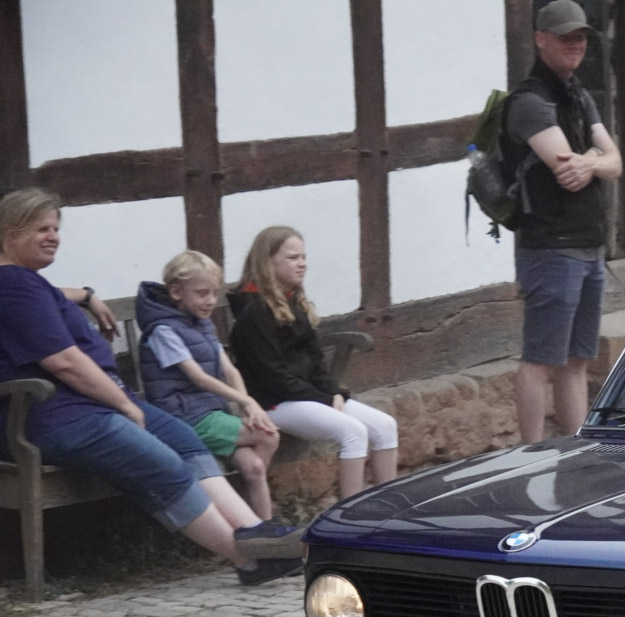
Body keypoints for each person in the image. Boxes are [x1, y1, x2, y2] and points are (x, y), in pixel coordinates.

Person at [0, 188, 302, 585]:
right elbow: (65, 363)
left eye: (56, 228)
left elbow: (48, 299)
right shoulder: (14, 284)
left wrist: (87, 295)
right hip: (62, 416)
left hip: (93, 404)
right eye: (42, 229)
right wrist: (124, 404)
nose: (53, 236)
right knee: (163, 464)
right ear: (10, 232)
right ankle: (248, 558)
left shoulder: (25, 283)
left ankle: (256, 533)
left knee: (184, 440)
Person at [503, 0, 623, 443]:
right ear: (541, 40)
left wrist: (592, 161)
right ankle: (530, 455)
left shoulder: (579, 96)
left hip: (588, 247)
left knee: (576, 361)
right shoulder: (530, 102)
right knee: (540, 359)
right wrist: (594, 160)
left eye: (581, 37)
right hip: (551, 248)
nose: (576, 44)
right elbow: (567, 172)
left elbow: (615, 162)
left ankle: (577, 448)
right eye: (565, 36)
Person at [227, 225, 398, 500]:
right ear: (268, 262)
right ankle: (351, 515)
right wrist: (325, 399)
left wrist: (334, 392)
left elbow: (316, 359)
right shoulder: (253, 314)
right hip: (274, 403)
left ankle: (388, 505)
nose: (302, 263)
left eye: (303, 257)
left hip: (307, 396)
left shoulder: (293, 302)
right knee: (353, 431)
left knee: (385, 425)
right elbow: (274, 377)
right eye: (293, 257)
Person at [137, 250, 281, 519]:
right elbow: (198, 377)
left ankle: (262, 528)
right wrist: (247, 401)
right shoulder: (163, 330)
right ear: (176, 292)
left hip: (209, 412)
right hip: (184, 418)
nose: (211, 301)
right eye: (203, 293)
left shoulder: (202, 324)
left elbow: (229, 370)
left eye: (215, 293)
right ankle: (246, 519)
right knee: (268, 435)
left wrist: (247, 407)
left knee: (254, 466)